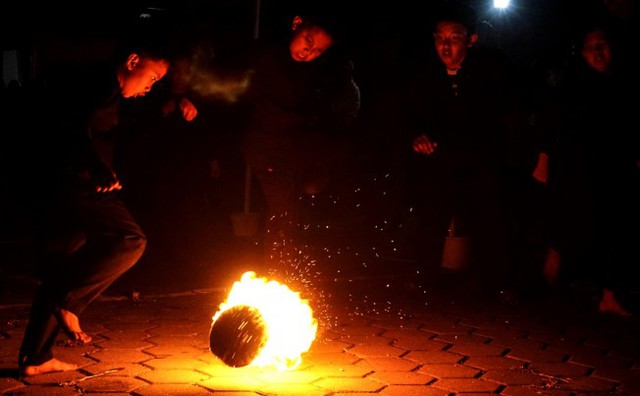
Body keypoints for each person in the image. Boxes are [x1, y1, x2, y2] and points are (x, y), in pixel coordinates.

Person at [18, 35, 170, 376]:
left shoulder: (109, 93)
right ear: (133, 61)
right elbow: (68, 127)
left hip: (57, 187)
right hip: (74, 185)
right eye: (152, 77)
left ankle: (36, 357)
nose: (149, 87)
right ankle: (68, 302)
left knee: (60, 267)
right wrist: (97, 167)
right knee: (130, 240)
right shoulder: (97, 84)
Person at [401, 1, 526, 298]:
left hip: (480, 158)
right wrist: (417, 135)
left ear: (471, 39)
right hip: (440, 159)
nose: (445, 46)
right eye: (440, 38)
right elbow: (408, 115)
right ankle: (425, 279)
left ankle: (493, 283)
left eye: (454, 38)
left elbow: (506, 113)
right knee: (431, 214)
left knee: (488, 215)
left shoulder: (489, 72)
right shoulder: (424, 76)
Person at [532, 21, 639, 316]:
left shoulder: (623, 84)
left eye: (602, 46)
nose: (598, 52)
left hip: (615, 169)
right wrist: (544, 162)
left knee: (617, 229)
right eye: (591, 48)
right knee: (569, 226)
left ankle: (608, 294)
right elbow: (550, 125)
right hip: (577, 169)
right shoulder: (573, 87)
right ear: (581, 53)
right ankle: (548, 282)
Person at [240, 14, 360, 262]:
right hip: (268, 149)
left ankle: (281, 272)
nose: (309, 51)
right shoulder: (266, 57)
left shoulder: (318, 76)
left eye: (317, 50)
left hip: (296, 153)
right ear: (296, 24)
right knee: (285, 216)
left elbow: (336, 114)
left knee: (290, 215)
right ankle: (279, 273)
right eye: (308, 40)